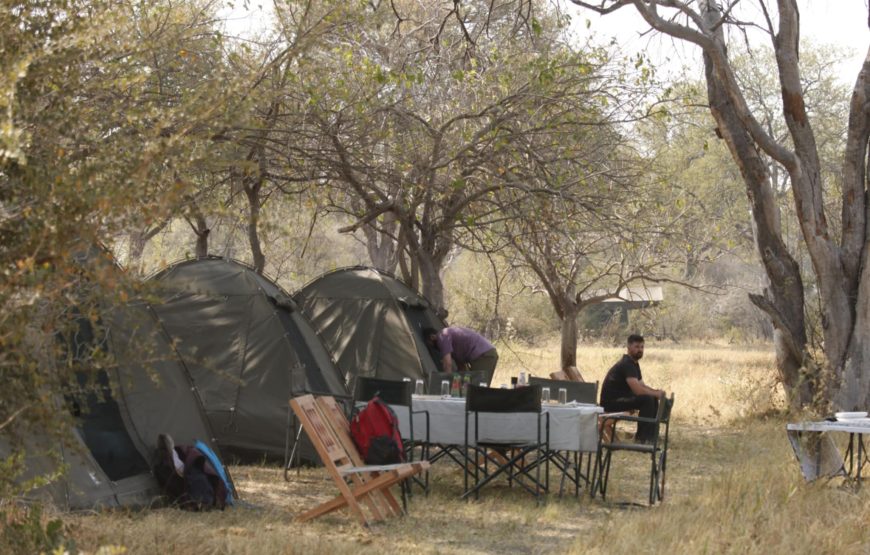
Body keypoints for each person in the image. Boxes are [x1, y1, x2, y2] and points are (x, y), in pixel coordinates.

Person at [600, 334, 667, 444]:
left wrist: (656, 392)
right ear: (629, 347)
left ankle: (651, 436)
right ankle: (642, 438)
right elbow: (638, 391)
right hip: (611, 403)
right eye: (636, 347)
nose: (640, 350)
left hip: (622, 400)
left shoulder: (634, 364)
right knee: (647, 399)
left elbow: (642, 386)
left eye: (642, 347)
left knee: (652, 398)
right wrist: (655, 394)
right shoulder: (626, 364)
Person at [423, 326, 498, 385]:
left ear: (432, 337)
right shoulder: (453, 345)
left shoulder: (442, 336)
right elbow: (461, 368)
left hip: (484, 355)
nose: (432, 347)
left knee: (477, 388)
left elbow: (448, 365)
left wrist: (446, 383)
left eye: (430, 344)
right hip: (487, 354)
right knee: (473, 387)